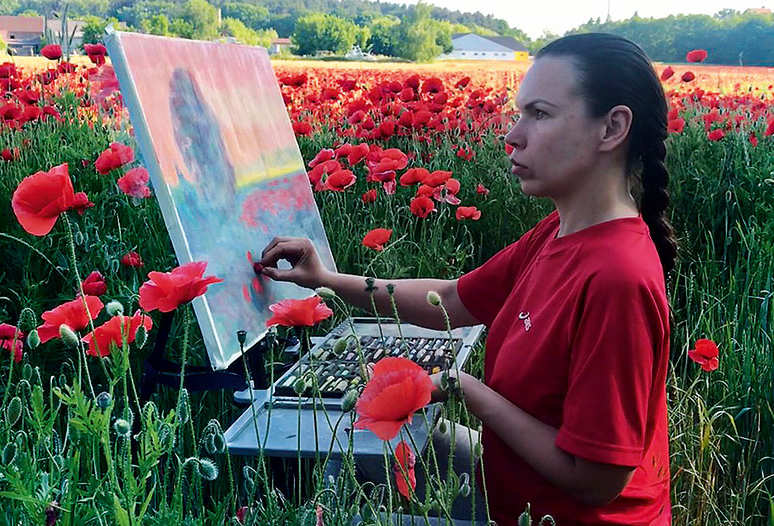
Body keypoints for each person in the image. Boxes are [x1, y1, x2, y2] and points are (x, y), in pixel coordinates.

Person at [258, 33, 675, 526]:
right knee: (359, 458)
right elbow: (453, 300)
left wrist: (463, 387)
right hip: (513, 487)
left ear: (613, 127)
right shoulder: (557, 233)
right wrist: (325, 279)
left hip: (563, 517)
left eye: (539, 114)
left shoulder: (617, 279)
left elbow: (599, 481)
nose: (514, 135)